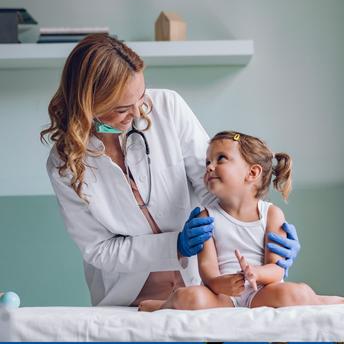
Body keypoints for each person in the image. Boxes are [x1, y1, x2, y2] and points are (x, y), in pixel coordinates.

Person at [40, 34, 301, 306]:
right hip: (128, 298)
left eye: (141, 98)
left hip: (204, 288)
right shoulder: (64, 164)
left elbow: (216, 188)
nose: (140, 114)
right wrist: (176, 245)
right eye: (122, 109)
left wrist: (261, 232)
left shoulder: (168, 108)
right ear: (89, 106)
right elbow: (100, 250)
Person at [139, 131, 344, 311]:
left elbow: (277, 268)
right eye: (207, 162)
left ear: (252, 172)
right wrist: (222, 284)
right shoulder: (206, 217)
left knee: (296, 292)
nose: (209, 167)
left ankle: (318, 300)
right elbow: (208, 272)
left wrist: (254, 273)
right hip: (223, 295)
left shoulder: (271, 214)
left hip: (262, 292)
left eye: (220, 159)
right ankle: (163, 305)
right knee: (188, 296)